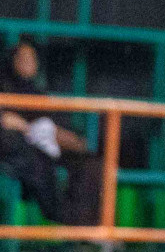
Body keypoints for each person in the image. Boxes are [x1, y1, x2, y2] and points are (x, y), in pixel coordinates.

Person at [0, 41, 102, 227]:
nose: (28, 63)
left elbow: (54, 127)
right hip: (18, 153)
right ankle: (60, 227)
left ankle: (86, 228)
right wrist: (22, 126)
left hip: (45, 147)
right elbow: (8, 123)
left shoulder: (37, 92)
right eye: (22, 58)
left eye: (32, 59)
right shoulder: (4, 88)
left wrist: (71, 140)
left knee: (92, 164)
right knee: (39, 167)